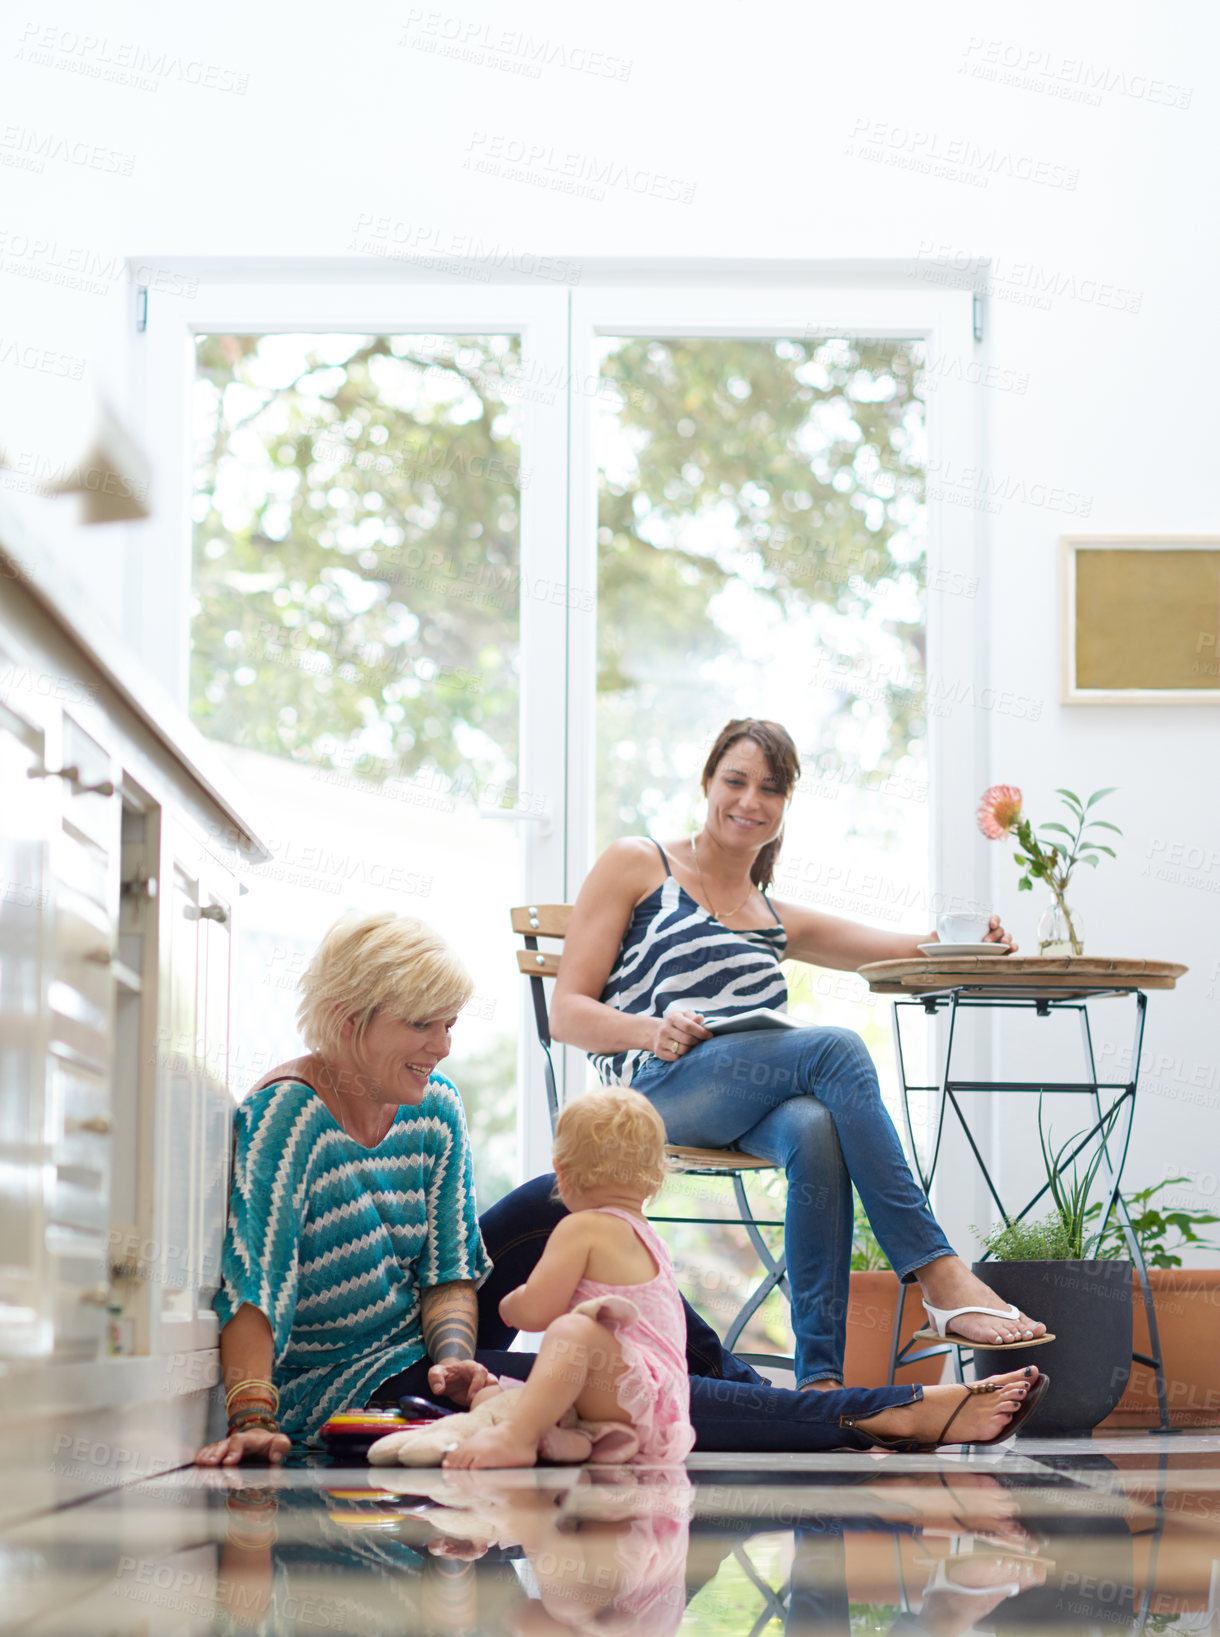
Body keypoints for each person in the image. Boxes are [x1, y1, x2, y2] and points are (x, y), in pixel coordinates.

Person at [196, 909, 1044, 1468]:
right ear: (351, 1022)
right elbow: (255, 1288)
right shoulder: (289, 1118)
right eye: (424, 1026)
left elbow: (453, 1267)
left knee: (556, 1204)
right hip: (349, 1382)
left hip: (423, 1348)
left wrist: (456, 1358)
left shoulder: (436, 1108)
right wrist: (252, 1417)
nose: (445, 1047)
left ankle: (762, 1400)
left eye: (452, 1023)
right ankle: (890, 1411)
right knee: (606, 1383)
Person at [549, 716, 1048, 1392]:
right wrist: (650, 1029)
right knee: (838, 1050)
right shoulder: (640, 863)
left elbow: (907, 946)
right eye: (736, 780)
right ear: (707, 782)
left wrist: (971, 943)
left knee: (815, 1126)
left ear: (785, 808)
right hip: (653, 1089)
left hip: (739, 1096)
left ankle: (819, 1386)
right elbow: (566, 1011)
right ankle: (940, 1274)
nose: (750, 800)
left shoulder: (773, 914)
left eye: (771, 789)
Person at [442, 1088, 695, 1470]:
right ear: (655, 1176)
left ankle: (517, 1439)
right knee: (495, 1393)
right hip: (659, 1405)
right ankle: (568, 1440)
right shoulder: (648, 1237)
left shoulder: (580, 1227)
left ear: (560, 1171)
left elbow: (539, 1311)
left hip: (635, 1389)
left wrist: (510, 1305)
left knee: (571, 1332)